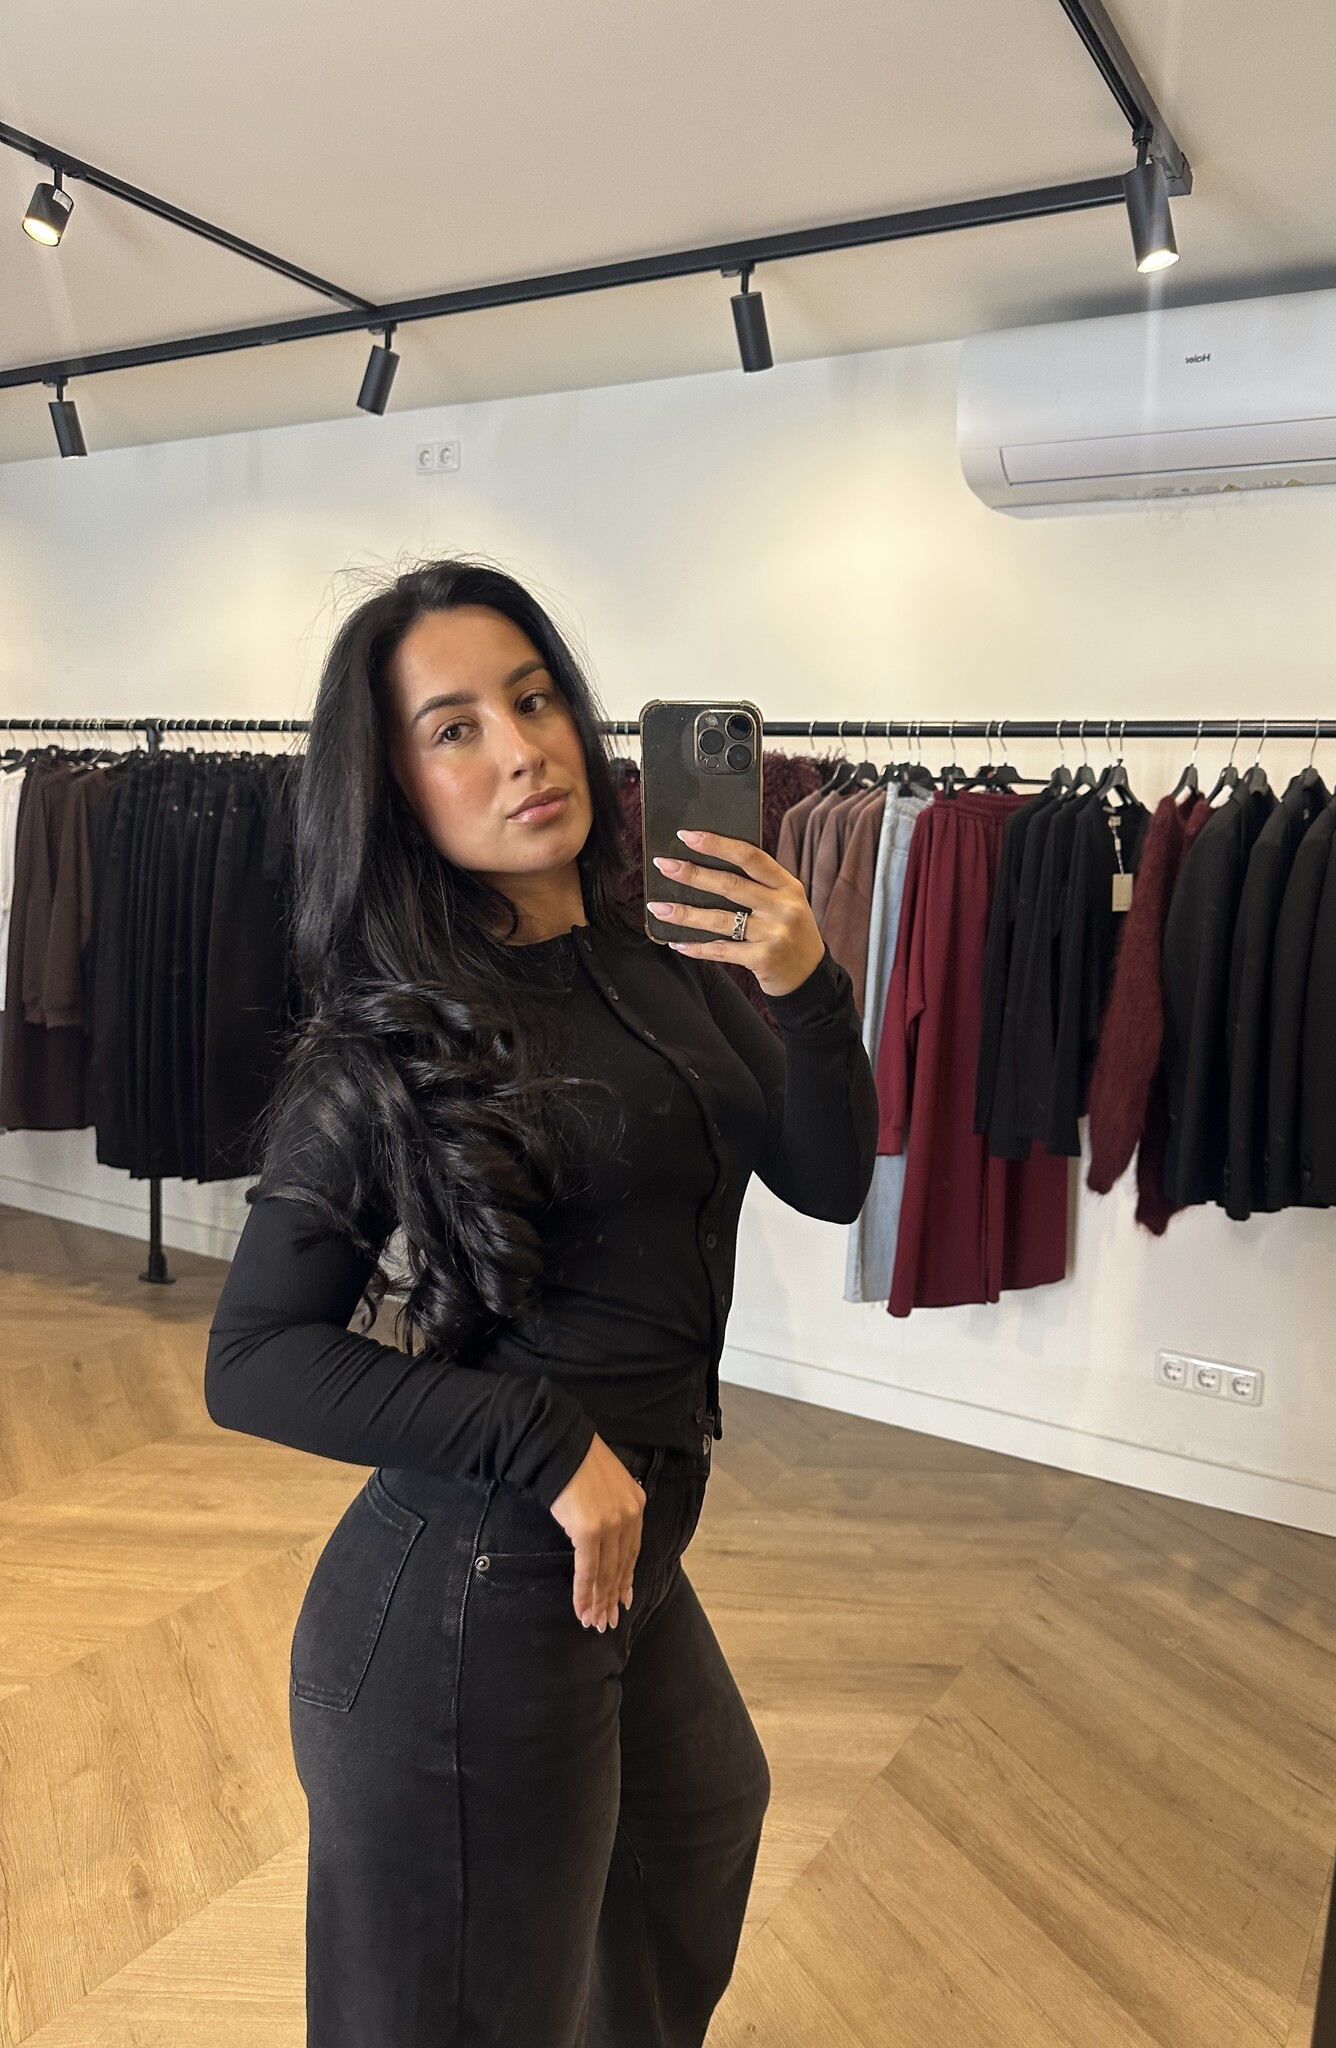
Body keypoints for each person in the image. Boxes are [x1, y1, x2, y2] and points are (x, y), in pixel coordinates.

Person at [203, 559, 878, 2047]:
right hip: (479, 1586)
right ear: (395, 791)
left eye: (534, 699)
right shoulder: (391, 1039)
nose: (522, 750)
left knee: (694, 1836)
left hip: (626, 1550)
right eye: (456, 729)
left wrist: (810, 990)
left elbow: (830, 1182)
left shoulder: (659, 959)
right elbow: (249, 1359)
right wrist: (543, 1438)